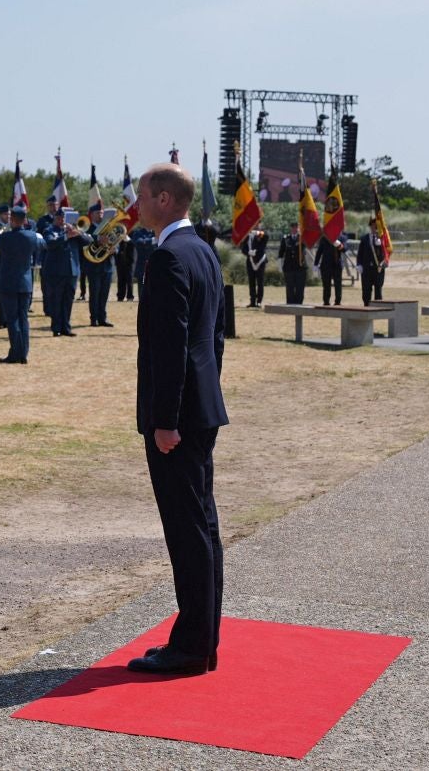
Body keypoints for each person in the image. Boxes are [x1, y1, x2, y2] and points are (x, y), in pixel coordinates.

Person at [128, 163, 228, 676]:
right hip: (202, 408)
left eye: (142, 194)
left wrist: (165, 419)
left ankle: (191, 646)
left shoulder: (169, 256)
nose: (137, 203)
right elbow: (215, 340)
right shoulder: (204, 251)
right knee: (203, 526)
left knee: (188, 530)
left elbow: (168, 349)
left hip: (178, 419)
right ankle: (203, 639)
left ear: (164, 199)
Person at [0, 204, 45, 363]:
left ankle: (16, 354)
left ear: (13, 220)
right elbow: (43, 245)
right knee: (23, 319)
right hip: (25, 283)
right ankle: (23, 353)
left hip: (8, 283)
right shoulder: (32, 236)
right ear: (24, 221)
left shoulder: (6, 237)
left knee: (12, 320)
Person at [41, 209, 81, 336]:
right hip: (56, 271)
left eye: (64, 218)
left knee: (68, 300)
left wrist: (78, 233)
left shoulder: (73, 231)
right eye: (60, 218)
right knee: (56, 300)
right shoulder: (49, 230)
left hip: (71, 271)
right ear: (55, 218)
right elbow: (50, 243)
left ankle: (66, 327)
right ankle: (56, 328)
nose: (62, 220)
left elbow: (88, 242)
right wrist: (66, 236)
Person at [78, 208, 116, 327]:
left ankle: (102, 318)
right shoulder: (87, 229)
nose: (100, 215)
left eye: (101, 213)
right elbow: (85, 245)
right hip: (94, 266)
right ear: (92, 214)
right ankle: (93, 319)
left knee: (104, 294)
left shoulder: (108, 228)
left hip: (107, 265)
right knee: (94, 293)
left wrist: (113, 250)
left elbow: (115, 243)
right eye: (97, 213)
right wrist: (98, 241)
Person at [357, 219, 388, 306]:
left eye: (377, 226)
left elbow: (386, 253)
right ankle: (366, 306)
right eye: (373, 226)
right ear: (370, 227)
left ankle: (378, 307)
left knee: (378, 289)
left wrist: (384, 263)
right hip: (366, 268)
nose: (375, 228)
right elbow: (360, 253)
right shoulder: (364, 239)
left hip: (378, 268)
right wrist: (359, 264)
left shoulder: (383, 239)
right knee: (366, 290)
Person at [315, 231, 347, 306]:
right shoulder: (325, 238)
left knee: (338, 284)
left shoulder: (342, 237)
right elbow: (319, 251)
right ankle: (326, 301)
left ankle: (338, 301)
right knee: (326, 285)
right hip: (326, 265)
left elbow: (345, 249)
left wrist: (339, 245)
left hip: (337, 265)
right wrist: (316, 263)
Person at [279, 222, 307, 305]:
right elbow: (281, 253)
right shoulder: (285, 239)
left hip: (300, 267)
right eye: (293, 227)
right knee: (290, 287)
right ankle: (290, 303)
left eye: (296, 227)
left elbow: (306, 246)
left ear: (298, 228)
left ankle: (299, 303)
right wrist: (279, 265)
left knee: (300, 287)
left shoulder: (302, 238)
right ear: (290, 228)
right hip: (289, 267)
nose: (294, 229)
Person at [241, 226, 269, 307]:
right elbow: (243, 248)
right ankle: (252, 301)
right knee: (251, 282)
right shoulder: (248, 236)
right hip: (250, 261)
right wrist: (248, 252)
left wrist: (257, 233)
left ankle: (259, 301)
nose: (256, 226)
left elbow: (266, 237)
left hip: (260, 261)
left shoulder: (262, 234)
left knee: (260, 282)